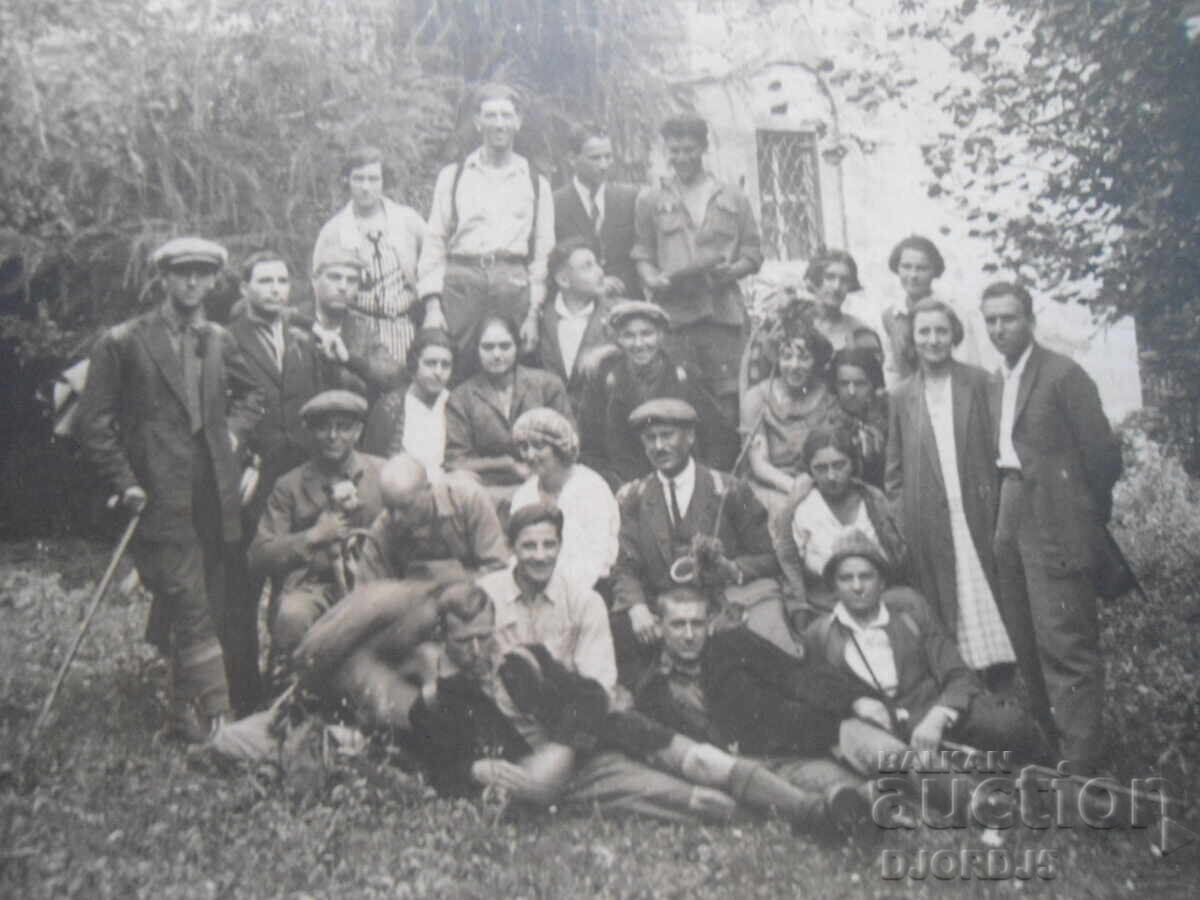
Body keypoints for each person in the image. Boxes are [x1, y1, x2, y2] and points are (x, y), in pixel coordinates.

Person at [77, 236, 265, 741]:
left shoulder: (219, 339)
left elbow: (252, 397)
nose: (192, 282)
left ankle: (184, 712)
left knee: (202, 599)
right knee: (190, 600)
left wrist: (233, 432)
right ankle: (219, 723)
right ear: (163, 277)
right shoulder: (123, 341)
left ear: (213, 281)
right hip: (157, 497)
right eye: (182, 273)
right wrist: (126, 483)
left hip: (215, 496)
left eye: (202, 274)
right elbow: (92, 424)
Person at [982, 281, 1124, 771]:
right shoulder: (995, 381)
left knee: (1065, 640)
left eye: (1009, 318)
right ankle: (1053, 748)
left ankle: (1082, 767)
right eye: (992, 320)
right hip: (1010, 508)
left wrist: (1083, 517)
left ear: (1030, 321)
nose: (1000, 328)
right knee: (1025, 636)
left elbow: (1103, 456)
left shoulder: (1064, 375)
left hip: (1058, 518)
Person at [805, 530, 1037, 779]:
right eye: (845, 578)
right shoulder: (820, 635)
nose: (857, 586)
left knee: (1009, 725)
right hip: (884, 740)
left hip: (937, 718)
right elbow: (822, 697)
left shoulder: (909, 611)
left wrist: (938, 717)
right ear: (833, 585)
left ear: (882, 582)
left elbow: (958, 673)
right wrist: (856, 704)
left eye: (866, 576)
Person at [611, 399, 793, 687]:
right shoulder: (634, 497)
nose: (658, 446)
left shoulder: (728, 489)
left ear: (691, 437)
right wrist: (636, 608)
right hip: (664, 618)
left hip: (722, 612)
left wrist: (731, 568)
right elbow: (624, 567)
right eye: (650, 438)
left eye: (667, 435)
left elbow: (767, 557)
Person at [886, 298, 1018, 690]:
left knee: (994, 601)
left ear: (954, 334)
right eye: (924, 331)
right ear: (912, 338)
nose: (933, 339)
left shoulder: (980, 382)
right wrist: (903, 521)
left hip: (979, 512)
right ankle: (966, 695)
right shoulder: (901, 396)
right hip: (929, 522)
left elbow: (1002, 446)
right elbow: (894, 471)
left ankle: (1007, 690)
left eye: (941, 330)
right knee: (948, 608)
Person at [634, 586, 870, 804]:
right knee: (846, 796)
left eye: (696, 624)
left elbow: (794, 675)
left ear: (708, 624)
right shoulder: (652, 690)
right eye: (678, 624)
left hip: (789, 751)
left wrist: (855, 700)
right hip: (738, 776)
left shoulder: (733, 646)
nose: (688, 635)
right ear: (659, 626)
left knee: (872, 777)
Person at [226, 250, 327, 712]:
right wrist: (241, 461)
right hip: (253, 478)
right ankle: (243, 695)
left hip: (299, 478)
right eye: (263, 281)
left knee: (293, 582)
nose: (274, 289)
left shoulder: (305, 339)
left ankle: (286, 686)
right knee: (244, 584)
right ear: (245, 289)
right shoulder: (225, 341)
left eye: (282, 281)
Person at [632, 113, 763, 427]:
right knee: (677, 403)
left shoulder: (732, 196)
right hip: (675, 320)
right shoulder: (651, 199)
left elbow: (753, 253)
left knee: (728, 406)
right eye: (674, 151)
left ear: (703, 148)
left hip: (722, 318)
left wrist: (732, 271)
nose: (681, 158)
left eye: (689, 150)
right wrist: (652, 278)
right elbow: (642, 252)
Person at [247, 389, 386, 681]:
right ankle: (291, 692)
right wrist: (312, 536)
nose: (333, 435)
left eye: (343, 427)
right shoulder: (290, 485)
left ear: (359, 431)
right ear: (310, 432)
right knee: (293, 615)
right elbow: (259, 555)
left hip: (371, 581)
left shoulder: (381, 474)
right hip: (313, 587)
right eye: (323, 427)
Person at [417, 83, 555, 372]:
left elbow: (543, 252)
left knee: (514, 367)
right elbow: (434, 242)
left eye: (506, 115)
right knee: (456, 367)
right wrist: (432, 306)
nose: (499, 124)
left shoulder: (534, 181)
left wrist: (533, 312)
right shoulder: (453, 176)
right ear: (477, 122)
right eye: (490, 116)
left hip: (512, 284)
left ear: (518, 122)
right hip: (462, 284)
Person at [577, 300, 737, 488]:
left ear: (660, 336)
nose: (639, 344)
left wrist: (700, 483)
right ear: (618, 339)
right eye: (628, 335)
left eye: (647, 334)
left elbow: (721, 438)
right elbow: (590, 450)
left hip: (682, 485)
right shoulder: (604, 381)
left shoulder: (684, 377)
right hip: (626, 488)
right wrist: (618, 486)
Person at [774, 425, 907, 630]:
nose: (831, 476)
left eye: (839, 465)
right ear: (809, 470)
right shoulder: (804, 510)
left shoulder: (873, 501)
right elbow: (791, 568)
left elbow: (898, 556)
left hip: (882, 604)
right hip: (826, 610)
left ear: (853, 464)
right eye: (821, 468)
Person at [312, 145, 429, 366]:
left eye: (373, 179)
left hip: (405, 326)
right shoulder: (333, 230)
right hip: (357, 330)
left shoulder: (408, 221)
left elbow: (433, 263)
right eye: (358, 178)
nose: (366, 187)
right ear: (347, 180)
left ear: (384, 181)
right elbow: (319, 287)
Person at [444, 315, 573, 506]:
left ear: (517, 347)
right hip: (488, 492)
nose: (497, 354)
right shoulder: (461, 397)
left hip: (545, 484)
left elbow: (569, 443)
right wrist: (507, 465)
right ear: (477, 350)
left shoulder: (547, 385)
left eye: (505, 346)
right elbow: (456, 461)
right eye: (488, 347)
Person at [740, 308, 843, 519]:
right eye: (787, 357)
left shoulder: (828, 398)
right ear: (777, 359)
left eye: (804, 357)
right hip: (770, 487)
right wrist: (797, 489)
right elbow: (759, 464)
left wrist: (815, 488)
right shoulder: (757, 397)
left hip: (819, 484)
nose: (794, 366)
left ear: (815, 361)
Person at [509, 407, 619, 593]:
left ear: (559, 447)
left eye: (538, 446)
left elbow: (596, 558)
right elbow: (517, 554)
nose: (530, 455)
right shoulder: (524, 494)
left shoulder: (591, 488)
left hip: (589, 590)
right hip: (535, 590)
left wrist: (559, 598)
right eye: (524, 447)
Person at [356, 453, 508, 585]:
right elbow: (368, 589)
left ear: (428, 489)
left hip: (471, 601)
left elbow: (497, 570)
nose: (396, 517)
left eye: (405, 507)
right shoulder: (384, 525)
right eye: (389, 507)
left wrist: (455, 583)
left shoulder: (469, 500)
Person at [307, 245, 405, 431]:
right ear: (314, 280)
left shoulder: (361, 328)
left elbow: (393, 377)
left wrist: (349, 360)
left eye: (351, 280)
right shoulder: (296, 323)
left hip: (352, 431)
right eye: (335, 277)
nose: (343, 287)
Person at [880, 235, 986, 386]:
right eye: (906, 267)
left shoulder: (952, 311)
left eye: (921, 268)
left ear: (934, 271)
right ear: (897, 268)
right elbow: (892, 370)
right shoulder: (891, 315)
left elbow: (968, 363)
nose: (913, 275)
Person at [552, 123, 641, 298]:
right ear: (572, 158)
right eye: (595, 158)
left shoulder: (630, 198)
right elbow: (552, 263)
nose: (604, 165)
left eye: (608, 157)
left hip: (626, 300)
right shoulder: (554, 204)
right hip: (578, 304)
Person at [538, 238, 619, 414]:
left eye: (597, 264)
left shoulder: (617, 314)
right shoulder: (541, 318)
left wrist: (609, 350)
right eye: (587, 266)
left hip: (602, 422)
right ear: (564, 280)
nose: (600, 272)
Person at [372, 327, 456, 480]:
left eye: (445, 365)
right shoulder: (390, 407)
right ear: (414, 364)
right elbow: (374, 463)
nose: (438, 372)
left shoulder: (456, 404)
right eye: (430, 363)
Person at [830, 346, 887, 489]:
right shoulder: (826, 420)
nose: (851, 392)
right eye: (844, 384)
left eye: (860, 383)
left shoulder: (890, 417)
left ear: (873, 385)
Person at [805, 249, 869, 350]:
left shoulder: (858, 331)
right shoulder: (796, 324)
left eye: (844, 280)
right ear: (815, 279)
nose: (837, 287)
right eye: (830, 277)